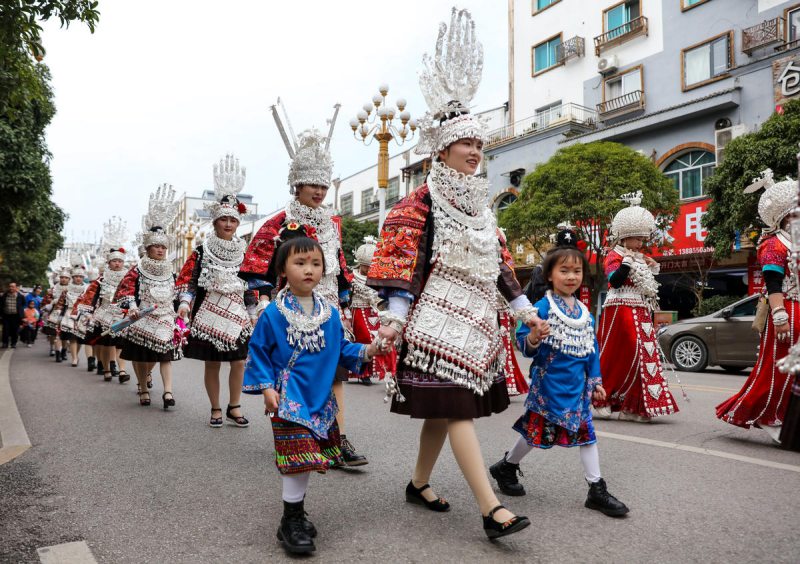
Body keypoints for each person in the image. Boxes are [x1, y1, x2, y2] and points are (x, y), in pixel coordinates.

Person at [367, 9, 539, 539]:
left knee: (443, 413)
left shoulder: (484, 209)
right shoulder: (418, 204)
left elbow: (502, 267)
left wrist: (526, 313)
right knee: (457, 409)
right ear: (441, 148)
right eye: (466, 144)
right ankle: (490, 509)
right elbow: (403, 267)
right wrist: (394, 319)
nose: (475, 151)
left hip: (478, 322)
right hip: (436, 323)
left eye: (480, 144)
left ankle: (418, 483)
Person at [243, 233, 382, 555]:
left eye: (316, 263)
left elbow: (342, 349)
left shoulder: (330, 313)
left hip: (319, 399)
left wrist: (370, 349)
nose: (309, 269)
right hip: (287, 397)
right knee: (298, 459)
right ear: (282, 270)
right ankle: (291, 519)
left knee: (305, 460)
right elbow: (258, 352)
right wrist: (265, 387)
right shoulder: (274, 314)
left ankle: (296, 512)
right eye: (300, 262)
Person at [240, 116, 367, 466]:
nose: (319, 191)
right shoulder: (278, 223)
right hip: (289, 314)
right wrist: (261, 305)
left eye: (323, 185)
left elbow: (338, 269)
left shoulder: (330, 224)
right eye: (312, 184)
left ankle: (335, 441)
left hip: (327, 313)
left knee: (334, 374)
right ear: (297, 184)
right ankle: (297, 437)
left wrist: (348, 301)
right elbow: (256, 268)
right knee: (291, 377)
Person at [489, 247, 629, 517]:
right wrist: (533, 337)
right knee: (535, 433)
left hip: (578, 389)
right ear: (549, 275)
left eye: (576, 271)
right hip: (549, 386)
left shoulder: (585, 314)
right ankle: (506, 466)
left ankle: (596, 489)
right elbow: (524, 342)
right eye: (563, 270)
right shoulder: (540, 308)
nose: (571, 276)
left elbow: (591, 348)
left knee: (587, 435)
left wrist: (596, 380)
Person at [718, 170, 798, 443]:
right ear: (786, 216)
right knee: (779, 368)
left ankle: (789, 417)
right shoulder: (774, 244)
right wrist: (779, 315)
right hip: (787, 310)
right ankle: (768, 416)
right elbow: (774, 283)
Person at [177, 155, 253, 428]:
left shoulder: (245, 251)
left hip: (238, 312)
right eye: (224, 220)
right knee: (212, 363)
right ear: (215, 222)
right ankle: (216, 407)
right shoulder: (201, 251)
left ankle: (235, 405)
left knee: (239, 362)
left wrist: (254, 309)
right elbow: (189, 279)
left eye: (233, 220)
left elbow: (250, 283)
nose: (229, 224)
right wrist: (185, 302)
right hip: (209, 312)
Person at [594, 192, 678, 422]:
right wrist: (628, 262)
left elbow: (646, 285)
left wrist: (651, 266)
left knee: (642, 355)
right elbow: (615, 280)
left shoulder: (640, 256)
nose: (641, 243)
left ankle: (634, 405)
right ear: (625, 237)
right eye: (637, 238)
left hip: (640, 309)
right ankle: (603, 398)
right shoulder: (614, 255)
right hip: (619, 309)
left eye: (643, 239)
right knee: (620, 353)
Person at [115, 185, 181, 408]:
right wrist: (132, 305)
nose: (160, 250)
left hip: (164, 317)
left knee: (164, 356)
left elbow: (178, 291)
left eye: (163, 246)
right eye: (156, 246)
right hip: (142, 316)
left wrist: (182, 306)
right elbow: (125, 290)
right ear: (148, 248)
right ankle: (143, 387)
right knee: (142, 356)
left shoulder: (170, 269)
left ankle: (168, 393)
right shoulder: (137, 268)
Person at [72, 217, 130, 383]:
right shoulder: (101, 280)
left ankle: (119, 368)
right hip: (103, 314)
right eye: (114, 261)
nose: (117, 264)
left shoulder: (127, 278)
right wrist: (87, 313)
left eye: (120, 261)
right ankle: (106, 368)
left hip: (121, 314)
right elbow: (91, 297)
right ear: (109, 263)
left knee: (118, 344)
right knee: (106, 344)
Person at [350, 236, 382, 385]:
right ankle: (363, 372)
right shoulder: (352, 278)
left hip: (373, 311)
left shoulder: (377, 278)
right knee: (363, 339)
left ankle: (371, 371)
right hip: (358, 310)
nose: (368, 270)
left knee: (376, 339)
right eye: (365, 266)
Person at [58, 263, 89, 368]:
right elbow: (61, 303)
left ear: (83, 278)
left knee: (80, 338)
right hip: (69, 314)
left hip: (83, 315)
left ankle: (76, 355)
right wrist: (58, 316)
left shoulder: (88, 289)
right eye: (76, 276)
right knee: (72, 338)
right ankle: (74, 358)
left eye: (80, 276)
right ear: (73, 277)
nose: (78, 278)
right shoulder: (66, 289)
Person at [42, 270, 71, 361]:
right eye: (62, 277)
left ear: (69, 279)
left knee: (65, 334)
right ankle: (56, 351)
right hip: (54, 312)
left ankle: (64, 351)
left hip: (67, 313)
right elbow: (45, 302)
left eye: (66, 278)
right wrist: (51, 302)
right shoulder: (53, 289)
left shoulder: (72, 289)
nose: (63, 279)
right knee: (54, 334)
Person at [1, 282, 26, 349]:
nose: (11, 288)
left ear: (16, 288)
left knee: (15, 330)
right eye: (10, 286)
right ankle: (5, 343)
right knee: (5, 330)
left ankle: (13, 343)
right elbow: (1, 304)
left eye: (12, 286)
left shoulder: (20, 296)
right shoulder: (5, 295)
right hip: (6, 316)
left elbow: (23, 304)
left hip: (16, 316)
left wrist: (21, 315)